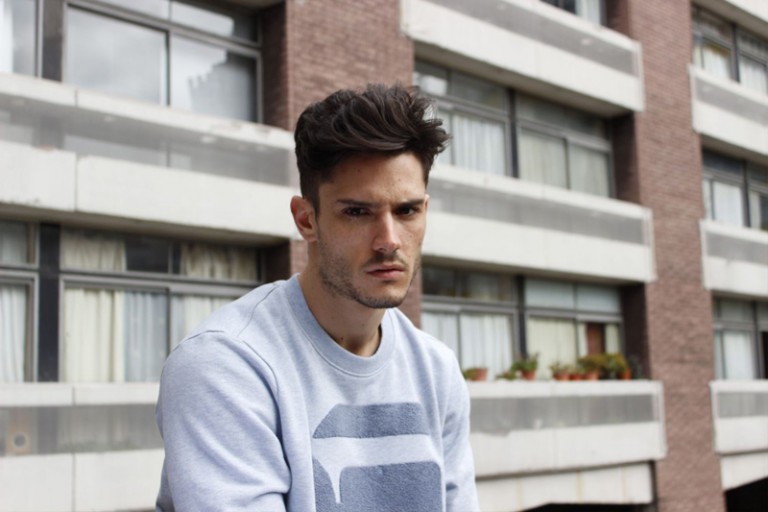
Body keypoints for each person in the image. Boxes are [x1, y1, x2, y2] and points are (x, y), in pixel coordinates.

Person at [155, 84, 479, 512]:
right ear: (306, 220)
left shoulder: (436, 370)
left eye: (406, 211)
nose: (389, 240)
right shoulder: (226, 366)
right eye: (357, 212)